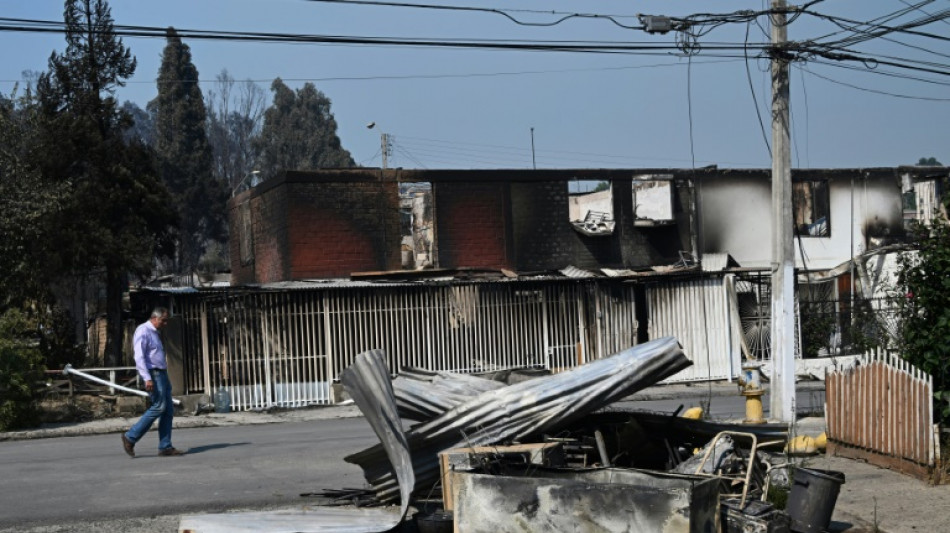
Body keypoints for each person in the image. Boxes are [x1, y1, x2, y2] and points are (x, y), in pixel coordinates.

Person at [121, 307, 185, 457]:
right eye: (163, 320)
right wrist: (147, 378)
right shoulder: (143, 331)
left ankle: (165, 446)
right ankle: (130, 437)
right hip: (154, 374)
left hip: (162, 374)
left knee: (168, 410)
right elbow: (139, 357)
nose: (165, 323)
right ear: (155, 318)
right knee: (159, 407)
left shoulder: (155, 333)